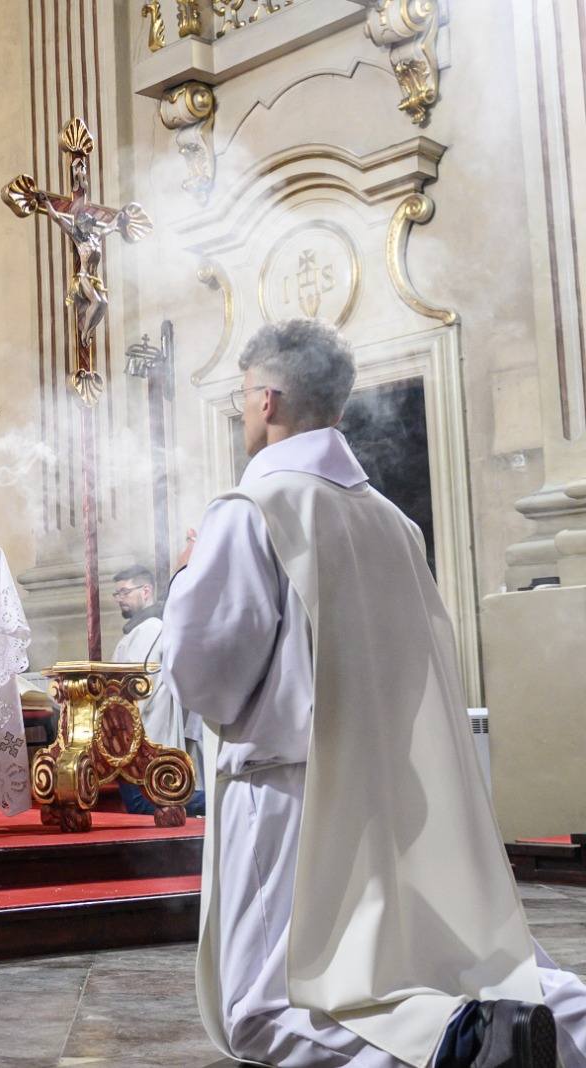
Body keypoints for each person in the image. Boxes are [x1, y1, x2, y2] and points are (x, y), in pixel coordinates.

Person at [161, 318, 586, 1068]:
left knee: (263, 1007)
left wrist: (185, 578)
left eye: (243, 394)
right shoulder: (393, 522)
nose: (242, 408)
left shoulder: (253, 509)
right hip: (392, 786)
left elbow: (205, 673)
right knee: (426, 960)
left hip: (288, 793)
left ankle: (464, 1046)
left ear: (267, 398)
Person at [109, 565, 203, 817]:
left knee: (147, 802)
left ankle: (215, 803)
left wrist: (117, 727)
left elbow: (137, 685)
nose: (119, 599)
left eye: (125, 592)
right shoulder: (139, 631)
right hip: (137, 732)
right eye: (117, 594)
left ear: (146, 591)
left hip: (146, 733)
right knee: (146, 802)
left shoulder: (151, 628)